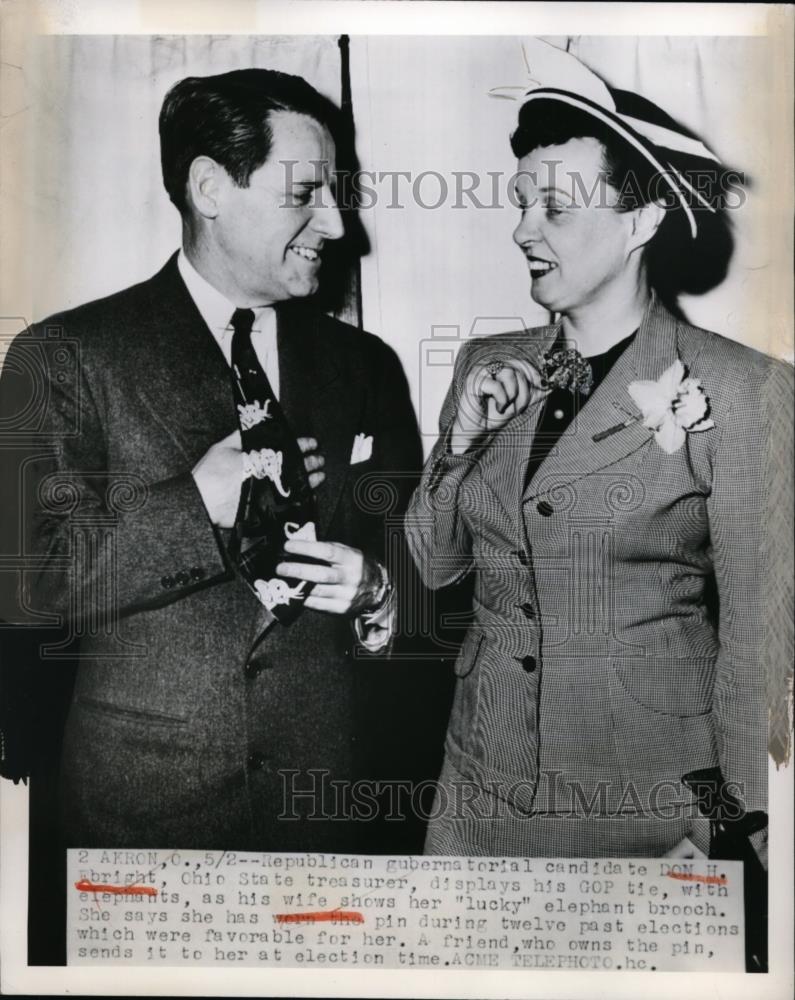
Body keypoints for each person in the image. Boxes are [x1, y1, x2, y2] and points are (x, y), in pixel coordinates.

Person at [0, 68, 421, 852]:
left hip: (326, 806)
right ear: (209, 188)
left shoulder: (365, 365)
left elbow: (414, 558)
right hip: (140, 813)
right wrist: (196, 501)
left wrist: (379, 593)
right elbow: (32, 582)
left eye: (335, 192)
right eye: (304, 194)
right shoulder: (63, 355)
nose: (334, 224)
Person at [405, 42, 793, 863]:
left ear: (641, 220)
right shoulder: (485, 363)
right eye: (517, 203)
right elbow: (432, 568)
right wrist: (461, 448)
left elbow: (758, 645)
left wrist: (736, 824)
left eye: (553, 207)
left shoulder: (743, 387)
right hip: (479, 786)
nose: (521, 230)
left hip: (652, 803)